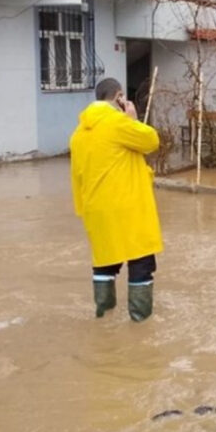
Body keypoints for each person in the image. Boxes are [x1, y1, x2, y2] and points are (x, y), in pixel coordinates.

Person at [70, 78, 163, 322]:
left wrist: (83, 211)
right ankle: (140, 322)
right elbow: (151, 141)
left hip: (95, 209)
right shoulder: (118, 123)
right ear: (119, 97)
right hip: (128, 207)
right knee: (141, 262)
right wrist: (132, 118)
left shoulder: (78, 133)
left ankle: (103, 316)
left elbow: (76, 177)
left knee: (105, 264)